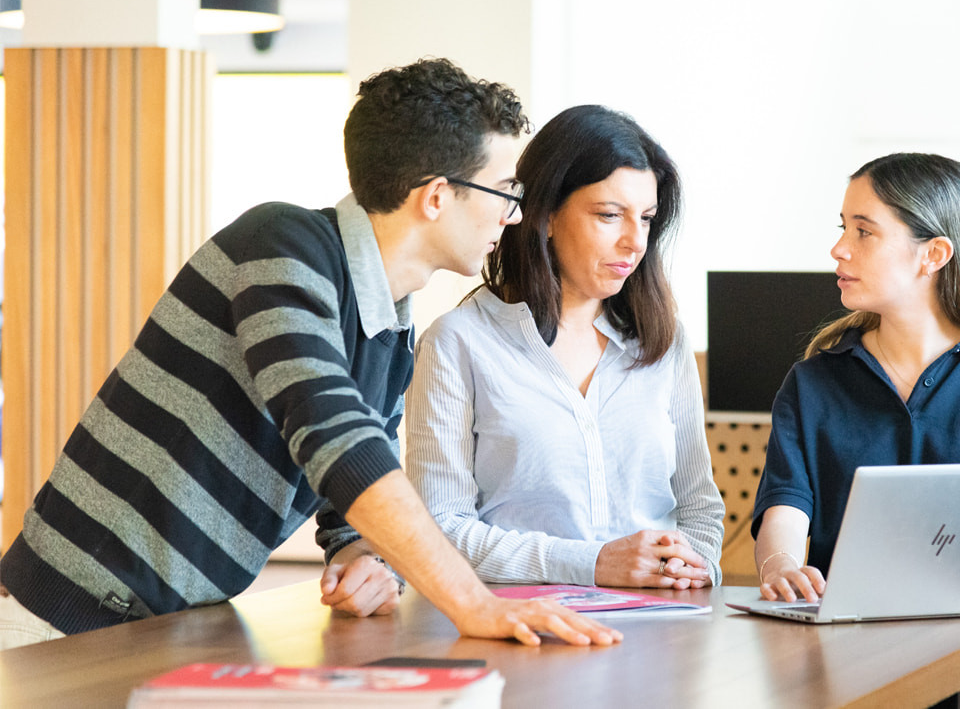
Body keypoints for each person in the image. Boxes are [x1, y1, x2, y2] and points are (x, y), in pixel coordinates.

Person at [0, 58, 620, 651]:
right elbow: (333, 437)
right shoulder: (282, 246)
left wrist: (360, 553)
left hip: (162, 629)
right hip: (63, 620)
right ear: (436, 196)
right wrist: (476, 605)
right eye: (505, 192)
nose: (513, 217)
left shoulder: (389, 323)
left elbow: (343, 488)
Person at [751, 153, 960, 708]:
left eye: (864, 232)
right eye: (842, 228)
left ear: (934, 254)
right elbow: (783, 513)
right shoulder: (812, 382)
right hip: (847, 670)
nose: (839, 248)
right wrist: (780, 564)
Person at [402, 105, 725, 589]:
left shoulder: (665, 340)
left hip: (662, 630)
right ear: (546, 216)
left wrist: (693, 570)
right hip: (522, 632)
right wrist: (593, 564)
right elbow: (439, 530)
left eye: (647, 218)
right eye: (610, 216)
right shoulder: (458, 343)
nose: (635, 242)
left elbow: (699, 509)